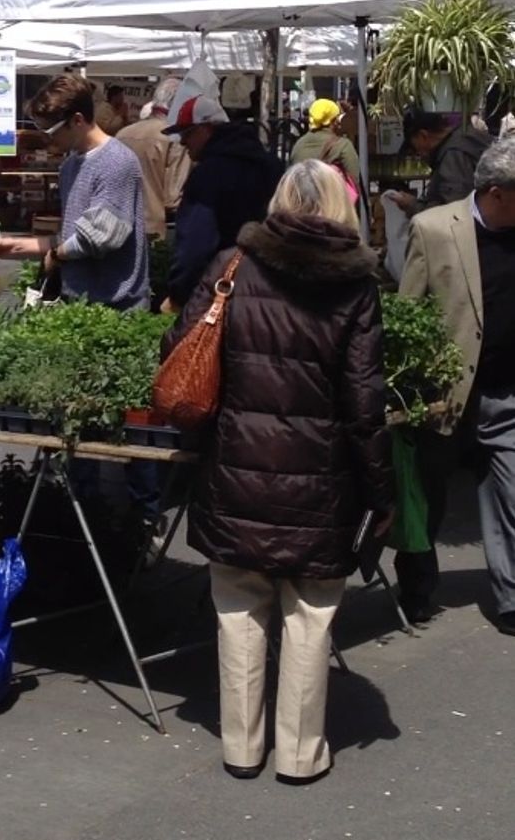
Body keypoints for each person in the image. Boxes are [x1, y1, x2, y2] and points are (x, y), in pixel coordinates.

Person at [164, 160, 394, 783]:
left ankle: (242, 748)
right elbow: (364, 404)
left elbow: (178, 350)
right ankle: (299, 754)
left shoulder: (232, 267)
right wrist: (381, 492)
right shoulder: (356, 288)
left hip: (235, 468)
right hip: (321, 484)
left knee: (238, 608)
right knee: (310, 616)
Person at [398, 137, 515, 633]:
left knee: (511, 495)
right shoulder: (434, 228)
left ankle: (510, 598)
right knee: (428, 497)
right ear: (496, 192)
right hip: (446, 394)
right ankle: (417, 589)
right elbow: (409, 311)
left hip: (506, 392)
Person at [0, 73, 148, 310]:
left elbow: (99, 238)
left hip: (116, 307)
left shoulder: (117, 162)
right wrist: (14, 246)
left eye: (50, 131)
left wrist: (56, 255)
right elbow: (72, 237)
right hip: (79, 302)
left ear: (78, 120)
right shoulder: (70, 165)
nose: (45, 138)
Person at [161, 96, 281, 312]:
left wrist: (179, 294)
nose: (182, 142)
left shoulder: (207, 175)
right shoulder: (270, 165)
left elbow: (195, 245)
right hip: (270, 289)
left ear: (206, 129)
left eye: (187, 133)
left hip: (221, 293)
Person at [116, 78, 189, 238]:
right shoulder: (175, 138)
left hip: (116, 227)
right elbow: (173, 198)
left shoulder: (122, 134)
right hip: (152, 231)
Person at [389, 108, 490, 218]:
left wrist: (412, 205)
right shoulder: (463, 136)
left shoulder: (453, 156)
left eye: (414, 148)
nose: (418, 154)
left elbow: (453, 214)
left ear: (423, 136)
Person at [290, 97, 360, 191]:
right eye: (337, 117)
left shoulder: (299, 144)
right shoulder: (343, 146)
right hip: (332, 202)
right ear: (333, 121)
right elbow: (355, 180)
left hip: (302, 202)